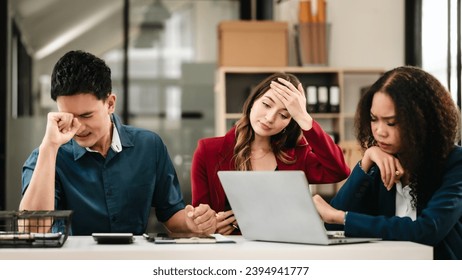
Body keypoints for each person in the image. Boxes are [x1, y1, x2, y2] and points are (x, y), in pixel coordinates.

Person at [20, 50, 216, 235]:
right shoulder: (45, 157)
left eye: (87, 115)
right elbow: (31, 230)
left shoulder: (149, 146)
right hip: (74, 266)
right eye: (68, 116)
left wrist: (193, 223)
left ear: (110, 104)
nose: (78, 127)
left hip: (133, 264)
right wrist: (49, 147)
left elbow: (172, 216)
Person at [313, 66, 462, 260]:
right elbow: (333, 226)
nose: (379, 131)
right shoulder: (380, 161)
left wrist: (342, 217)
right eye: (374, 119)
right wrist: (366, 160)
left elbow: (427, 231)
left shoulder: (455, 162)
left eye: (391, 123)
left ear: (422, 121)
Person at [191, 72, 350, 235]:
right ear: (253, 101)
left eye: (284, 115)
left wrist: (304, 118)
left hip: (284, 249)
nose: (269, 118)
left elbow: (339, 171)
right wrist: (207, 225)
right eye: (267, 104)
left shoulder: (297, 156)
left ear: (290, 121)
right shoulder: (207, 151)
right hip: (230, 252)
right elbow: (200, 216)